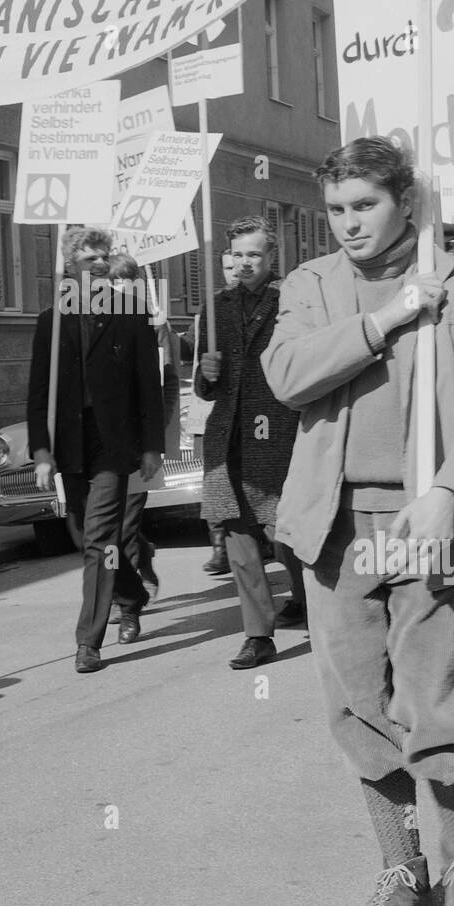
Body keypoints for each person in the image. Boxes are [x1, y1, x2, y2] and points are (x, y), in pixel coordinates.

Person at [263, 138, 454, 906]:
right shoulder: (311, 285)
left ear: (406, 202)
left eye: (365, 206)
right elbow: (289, 375)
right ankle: (401, 866)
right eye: (336, 210)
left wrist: (450, 491)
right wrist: (386, 319)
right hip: (335, 528)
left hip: (428, 523)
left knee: (435, 702)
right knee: (357, 707)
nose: (348, 224)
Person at [27, 226, 164, 673]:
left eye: (104, 256)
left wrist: (151, 446)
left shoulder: (132, 313)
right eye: (91, 258)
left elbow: (149, 385)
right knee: (85, 535)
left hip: (112, 443)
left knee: (100, 538)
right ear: (71, 266)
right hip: (70, 442)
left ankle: (88, 641)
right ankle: (132, 594)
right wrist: (42, 452)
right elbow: (38, 392)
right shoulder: (51, 320)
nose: (101, 264)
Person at [196, 216, 305, 669]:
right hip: (229, 438)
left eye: (254, 255)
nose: (244, 263)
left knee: (287, 537)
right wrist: (206, 373)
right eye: (238, 254)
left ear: (270, 258)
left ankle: (306, 599)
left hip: (278, 433)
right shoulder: (215, 308)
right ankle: (258, 634)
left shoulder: (290, 305)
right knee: (239, 538)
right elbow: (206, 390)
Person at [108, 252, 181, 603]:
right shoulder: (95, 320)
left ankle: (128, 602)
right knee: (104, 523)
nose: (116, 287)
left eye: (123, 280)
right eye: (110, 280)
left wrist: (156, 431)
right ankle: (143, 554)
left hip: (139, 440)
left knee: (124, 523)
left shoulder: (154, 323)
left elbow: (167, 384)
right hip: (106, 440)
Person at [183, 252, 240, 576]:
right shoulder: (212, 308)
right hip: (209, 412)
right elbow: (186, 348)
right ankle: (219, 546)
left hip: (247, 413)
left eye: (239, 264)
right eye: (228, 267)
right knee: (214, 482)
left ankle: (258, 540)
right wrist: (158, 325)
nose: (234, 271)